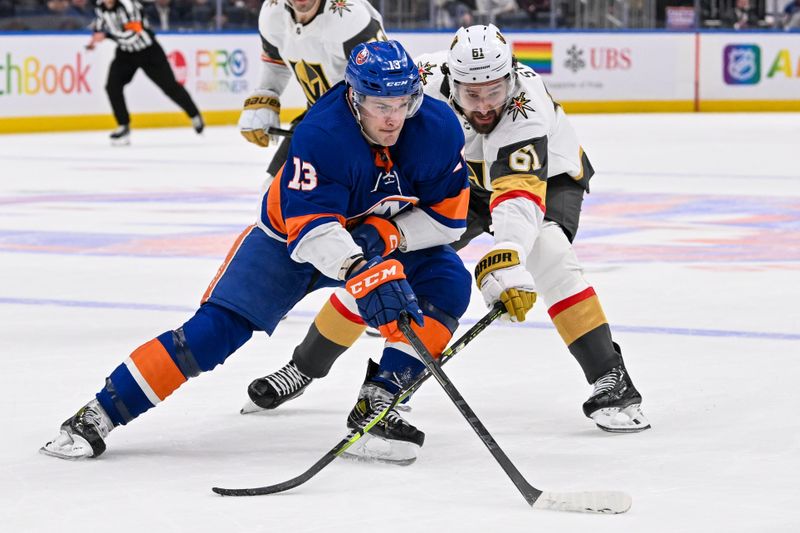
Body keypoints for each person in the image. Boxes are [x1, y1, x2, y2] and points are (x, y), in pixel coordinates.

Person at [40, 40, 472, 464]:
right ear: (354, 98)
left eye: (403, 103)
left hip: (374, 237)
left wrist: (384, 238)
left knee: (448, 282)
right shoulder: (322, 132)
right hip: (288, 240)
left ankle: (377, 406)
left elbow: (448, 219)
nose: (394, 118)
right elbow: (313, 232)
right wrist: (364, 268)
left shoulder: (436, 127)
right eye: (380, 105)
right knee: (211, 334)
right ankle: (100, 413)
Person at [244, 25, 651, 447]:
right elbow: (353, 115)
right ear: (449, 82)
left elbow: (517, 193)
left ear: (511, 76)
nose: (485, 105)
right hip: (457, 182)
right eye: (472, 94)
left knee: (550, 254)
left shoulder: (526, 105)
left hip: (544, 178)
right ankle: (304, 367)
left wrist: (508, 252)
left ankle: (611, 377)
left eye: (495, 91)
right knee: (386, 266)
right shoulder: (419, 80)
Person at [237, 0, 386, 183]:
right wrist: (266, 94)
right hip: (318, 116)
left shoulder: (347, 15)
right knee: (272, 190)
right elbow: (275, 61)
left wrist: (367, 131)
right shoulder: (272, 12)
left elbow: (385, 82)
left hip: (364, 124)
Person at [85, 0, 204, 145]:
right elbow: (100, 22)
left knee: (169, 86)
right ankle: (123, 125)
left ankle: (194, 114)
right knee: (112, 86)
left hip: (149, 52)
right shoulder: (100, 6)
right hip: (125, 53)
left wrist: (107, 36)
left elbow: (134, 33)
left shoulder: (130, 5)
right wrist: (95, 37)